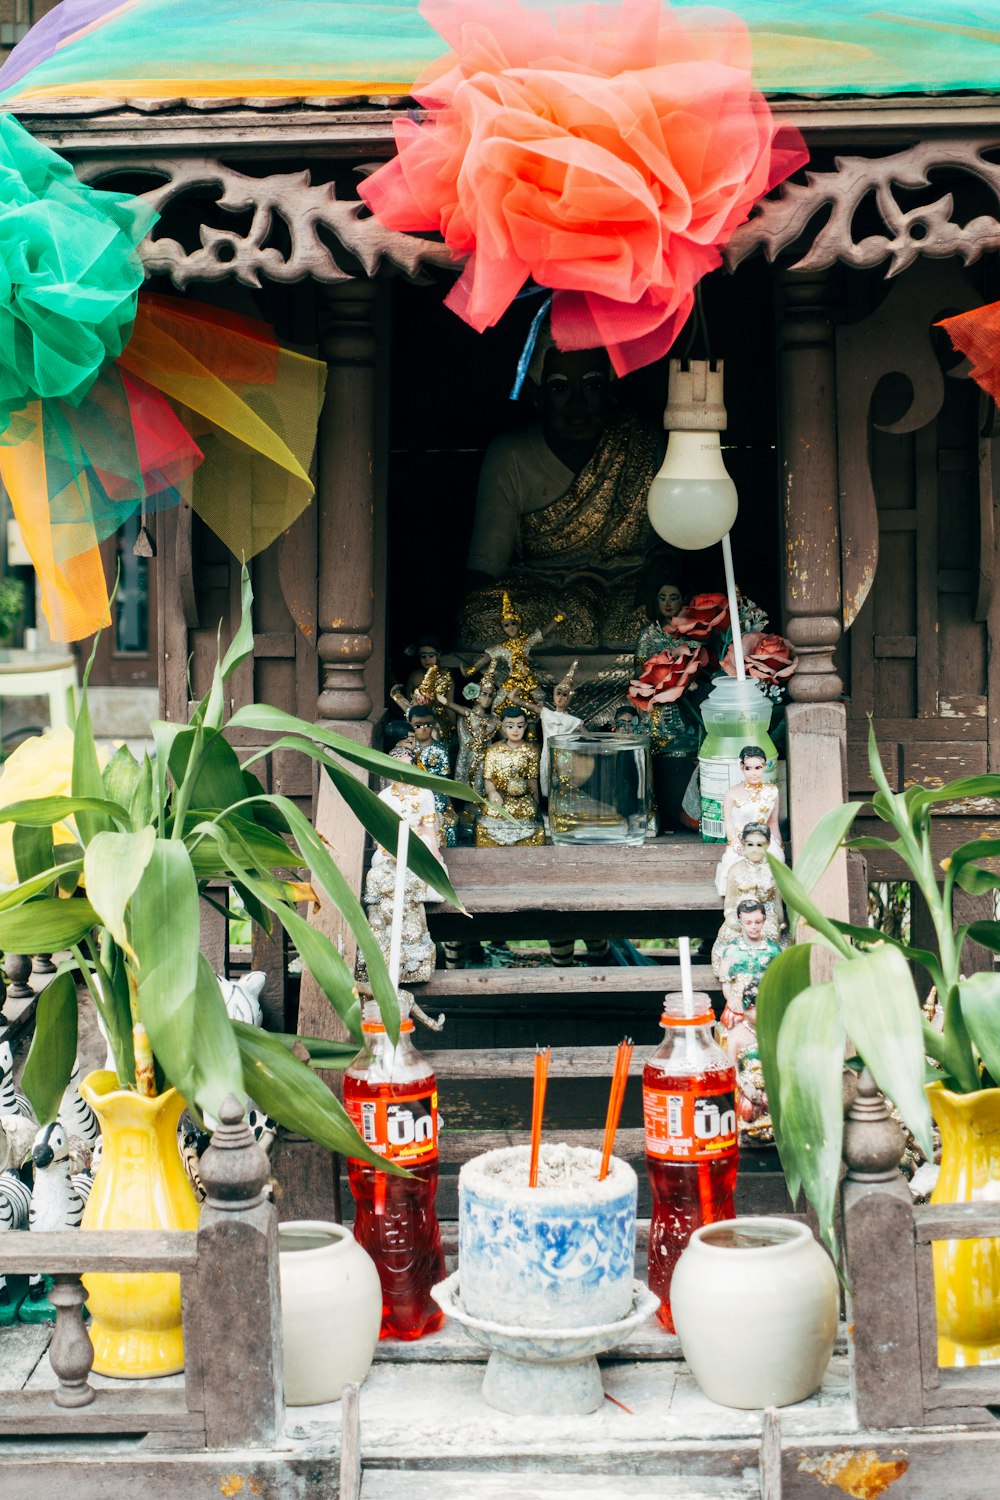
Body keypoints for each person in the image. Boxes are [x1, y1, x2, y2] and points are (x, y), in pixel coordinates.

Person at [460, 326, 665, 649]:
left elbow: (668, 544)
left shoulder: (643, 442)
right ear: (537, 394)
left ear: (613, 390)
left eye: (593, 385)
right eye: (559, 388)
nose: (577, 403)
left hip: (623, 589)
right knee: (480, 618)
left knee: (662, 616)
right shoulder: (510, 454)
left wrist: (663, 577)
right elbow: (487, 566)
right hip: (540, 590)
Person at [711, 821, 787, 972]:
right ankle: (736, 965)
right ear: (743, 845)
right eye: (750, 845)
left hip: (765, 915)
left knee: (769, 933)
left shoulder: (773, 871)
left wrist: (779, 921)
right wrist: (734, 919)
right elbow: (730, 904)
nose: (754, 850)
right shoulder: (735, 870)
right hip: (741, 915)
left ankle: (763, 967)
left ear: (767, 845)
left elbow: (777, 902)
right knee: (728, 934)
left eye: (759, 845)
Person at [714, 745, 784, 898]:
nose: (754, 773)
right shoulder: (732, 793)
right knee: (733, 863)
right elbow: (729, 823)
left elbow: (773, 821)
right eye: (749, 768)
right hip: (741, 839)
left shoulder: (772, 791)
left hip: (764, 838)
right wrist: (735, 843)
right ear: (742, 767)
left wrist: (778, 843)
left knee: (775, 860)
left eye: (758, 767)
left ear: (764, 766)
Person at [476, 705, 544, 848]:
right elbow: (488, 779)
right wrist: (492, 792)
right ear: (502, 727)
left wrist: (536, 804)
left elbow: (532, 780)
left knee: (529, 810)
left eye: (519, 726)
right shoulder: (493, 750)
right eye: (510, 726)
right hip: (500, 798)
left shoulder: (531, 750)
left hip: (522, 799)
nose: (515, 730)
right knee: (490, 811)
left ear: (525, 726)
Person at [407, 703, 457, 848]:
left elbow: (444, 779)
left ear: (434, 724)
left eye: (428, 725)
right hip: (412, 792)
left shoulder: (440, 749)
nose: (423, 729)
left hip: (435, 793)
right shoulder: (406, 750)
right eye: (418, 725)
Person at [538, 661, 582, 798]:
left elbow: (590, 737)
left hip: (565, 758)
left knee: (564, 787)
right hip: (547, 755)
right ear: (553, 693)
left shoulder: (573, 721)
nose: (560, 697)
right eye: (559, 693)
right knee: (547, 785)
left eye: (565, 695)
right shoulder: (546, 713)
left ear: (570, 698)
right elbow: (515, 699)